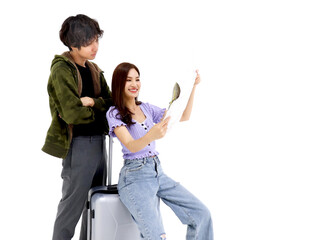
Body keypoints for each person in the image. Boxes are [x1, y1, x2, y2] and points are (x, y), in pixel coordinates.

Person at [106, 62, 213, 239]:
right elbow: (130, 145)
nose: (135, 84)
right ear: (119, 84)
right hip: (134, 177)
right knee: (157, 236)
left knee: (201, 214)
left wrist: (193, 87)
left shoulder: (146, 108)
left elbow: (184, 116)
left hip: (156, 171)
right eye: (128, 80)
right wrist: (151, 135)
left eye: (137, 79)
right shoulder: (114, 113)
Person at [42, 14, 112, 240]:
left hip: (100, 144)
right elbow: (71, 113)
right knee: (72, 206)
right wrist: (97, 110)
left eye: (96, 40)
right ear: (73, 44)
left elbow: (111, 104)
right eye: (89, 41)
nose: (95, 46)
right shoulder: (62, 69)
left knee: (95, 205)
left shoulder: (94, 69)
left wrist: (92, 102)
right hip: (78, 145)